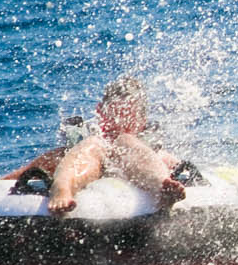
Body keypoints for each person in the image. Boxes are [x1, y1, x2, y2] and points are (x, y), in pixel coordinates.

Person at [12, 76, 190, 215]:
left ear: (142, 122)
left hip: (137, 162)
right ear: (99, 112)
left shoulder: (149, 152)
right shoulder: (88, 141)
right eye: (113, 116)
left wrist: (177, 178)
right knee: (94, 143)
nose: (118, 124)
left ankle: (162, 186)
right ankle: (62, 187)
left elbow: (179, 166)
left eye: (128, 118)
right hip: (92, 157)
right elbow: (25, 172)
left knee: (126, 141)